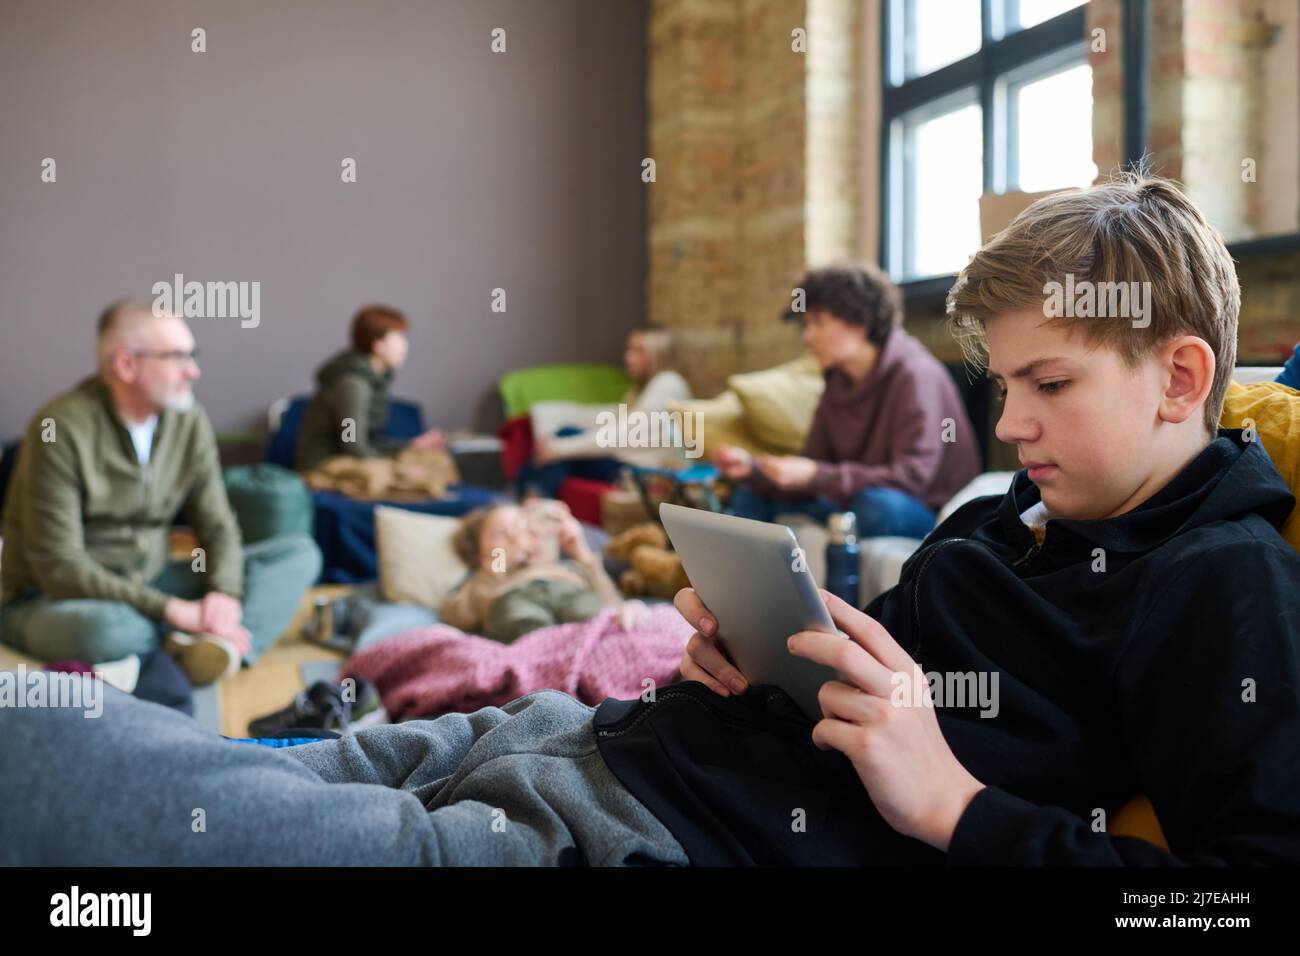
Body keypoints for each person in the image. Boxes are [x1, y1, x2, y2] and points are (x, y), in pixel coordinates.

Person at [6, 174, 1300, 866]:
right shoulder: (1021, 515)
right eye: (1002, 386)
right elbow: (901, 676)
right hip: (584, 737)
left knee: (61, 782)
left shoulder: (1222, 578)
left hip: (623, 835)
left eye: (1048, 388)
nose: (1008, 428)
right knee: (181, 773)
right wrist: (765, 660)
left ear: (1183, 378)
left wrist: (954, 807)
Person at [0, 300, 322, 684]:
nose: (194, 370)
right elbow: (59, 567)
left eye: (193, 355)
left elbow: (217, 524)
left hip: (150, 581)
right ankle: (185, 643)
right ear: (126, 365)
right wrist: (170, 610)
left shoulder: (188, 420)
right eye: (177, 357)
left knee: (299, 555)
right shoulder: (58, 428)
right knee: (106, 631)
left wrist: (225, 592)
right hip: (53, 599)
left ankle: (214, 646)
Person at [717, 264, 981, 539]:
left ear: (860, 321)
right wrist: (754, 470)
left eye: (818, 322)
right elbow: (813, 465)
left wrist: (814, 476)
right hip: (855, 499)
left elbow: (912, 478)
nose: (807, 337)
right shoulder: (836, 380)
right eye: (806, 325)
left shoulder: (916, 373)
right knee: (751, 493)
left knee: (873, 506)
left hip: (923, 507)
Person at [519, 327, 692, 497]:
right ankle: (528, 500)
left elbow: (623, 434)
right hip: (627, 464)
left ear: (657, 354)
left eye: (638, 351)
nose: (628, 358)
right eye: (629, 349)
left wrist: (560, 448)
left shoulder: (669, 382)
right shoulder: (637, 392)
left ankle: (528, 500)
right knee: (564, 437)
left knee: (565, 439)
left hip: (649, 472)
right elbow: (610, 420)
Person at [439, 499, 622, 641]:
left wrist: (581, 553)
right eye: (500, 533)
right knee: (518, 615)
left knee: (590, 612)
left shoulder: (568, 569)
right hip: (526, 626)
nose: (514, 535)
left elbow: (612, 604)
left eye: (521, 526)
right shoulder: (485, 582)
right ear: (478, 554)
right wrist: (499, 563)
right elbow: (458, 615)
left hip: (586, 626)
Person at [294, 305, 444, 472]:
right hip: (324, 469)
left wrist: (410, 446)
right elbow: (351, 444)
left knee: (430, 462)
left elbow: (367, 443)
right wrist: (395, 465)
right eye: (399, 337)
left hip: (348, 462)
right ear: (378, 345)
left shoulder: (375, 382)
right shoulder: (352, 386)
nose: (405, 344)